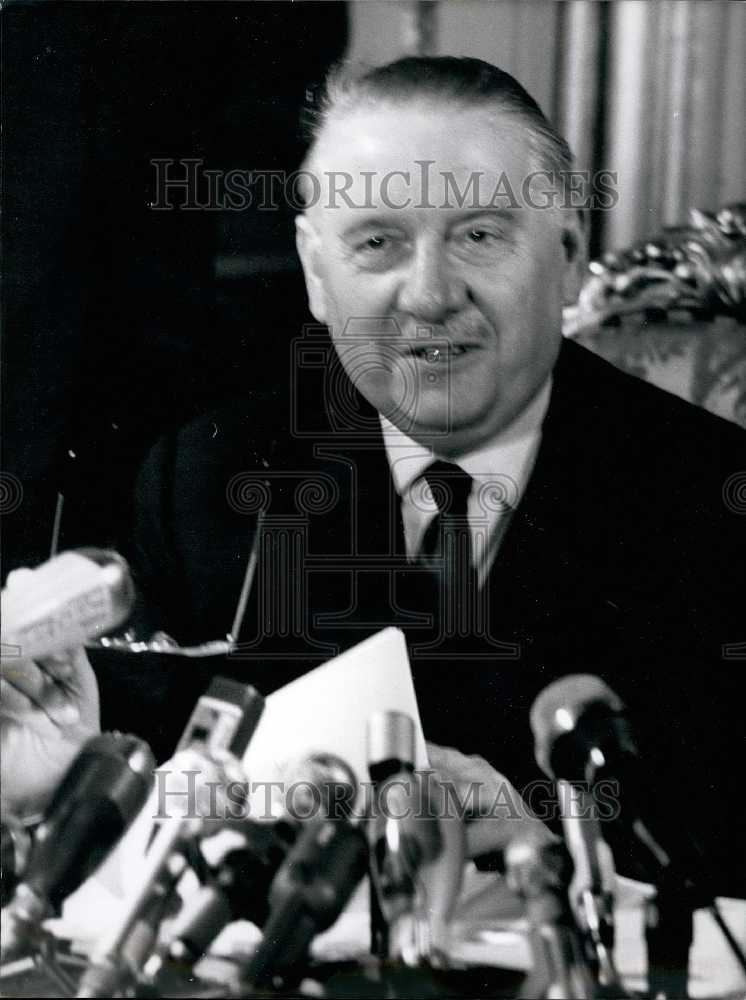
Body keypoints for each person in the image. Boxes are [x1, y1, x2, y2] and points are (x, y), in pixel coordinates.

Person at [3, 57, 745, 888]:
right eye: (378, 243)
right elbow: (155, 779)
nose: (429, 295)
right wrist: (65, 772)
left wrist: (570, 851)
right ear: (317, 274)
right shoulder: (208, 477)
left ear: (568, 253)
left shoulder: (716, 500)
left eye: (479, 235)